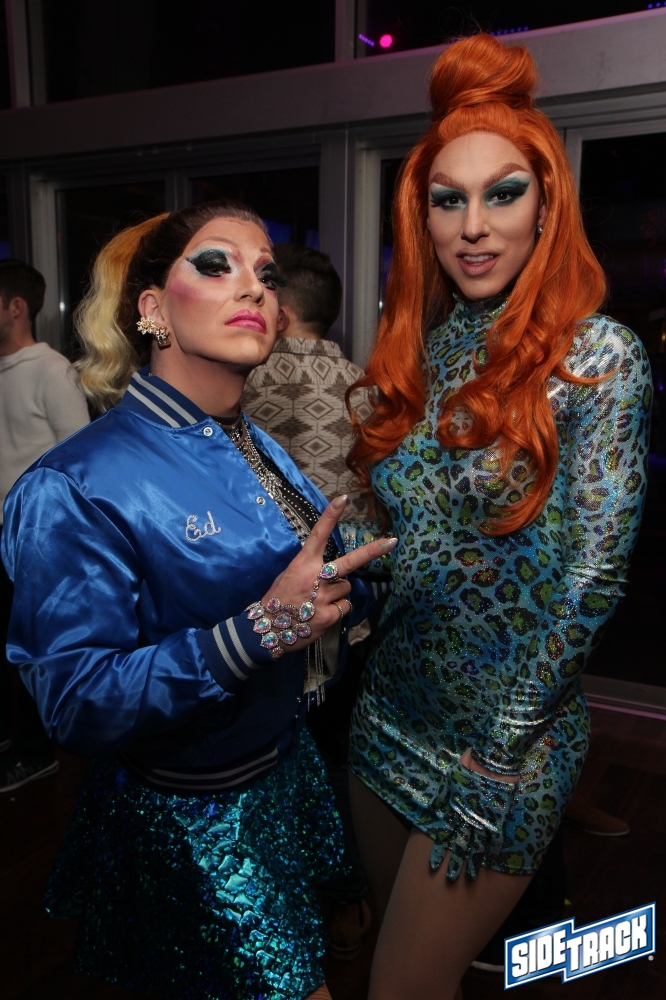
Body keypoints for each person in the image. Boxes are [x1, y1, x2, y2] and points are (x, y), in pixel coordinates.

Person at [1, 201, 395, 1000]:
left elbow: (294, 579)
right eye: (217, 264)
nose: (253, 287)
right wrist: (259, 630)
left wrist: (358, 585)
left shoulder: (252, 439)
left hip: (283, 775)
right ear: (153, 308)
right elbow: (74, 701)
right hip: (195, 818)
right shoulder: (76, 484)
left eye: (267, 275)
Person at [345, 34, 652, 1000]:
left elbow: (592, 575)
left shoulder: (597, 357)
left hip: (502, 749)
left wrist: (503, 751)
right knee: (381, 960)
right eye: (449, 200)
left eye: (503, 194)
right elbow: (418, 541)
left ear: (547, 205)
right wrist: (333, 561)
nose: (473, 227)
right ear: (422, 215)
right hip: (387, 711)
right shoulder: (424, 349)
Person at [243, 243, 376, 961]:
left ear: (282, 309)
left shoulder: (237, 381)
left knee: (267, 764)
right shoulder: (367, 392)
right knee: (338, 760)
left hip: (255, 616)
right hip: (342, 615)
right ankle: (349, 899)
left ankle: (277, 901)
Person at [0, 258, 89, 793]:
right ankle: (16, 738)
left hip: (33, 542)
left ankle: (36, 754)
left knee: (31, 653)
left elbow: (79, 460)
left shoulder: (53, 371)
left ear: (16, 307)